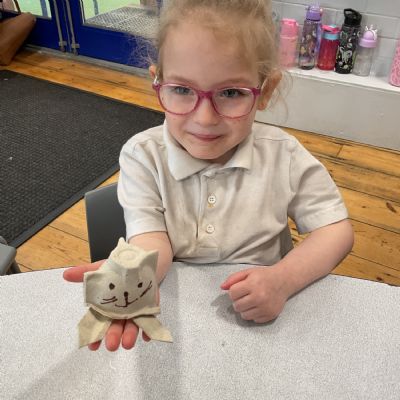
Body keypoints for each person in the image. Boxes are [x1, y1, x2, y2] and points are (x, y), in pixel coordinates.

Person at [64, 0, 354, 351]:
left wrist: (282, 280)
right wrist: (134, 278)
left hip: (264, 324)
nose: (204, 118)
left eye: (230, 93)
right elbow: (151, 240)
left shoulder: (284, 156)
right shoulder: (143, 157)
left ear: (265, 91)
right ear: (158, 82)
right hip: (179, 321)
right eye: (182, 90)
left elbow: (336, 231)